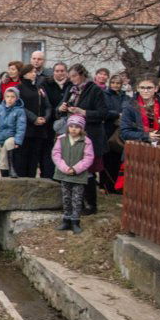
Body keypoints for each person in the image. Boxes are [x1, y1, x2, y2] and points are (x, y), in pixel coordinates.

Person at [55, 63, 108, 215]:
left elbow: (103, 113)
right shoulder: (71, 90)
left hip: (89, 136)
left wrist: (83, 112)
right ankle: (75, 204)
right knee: (72, 170)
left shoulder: (94, 90)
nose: (72, 80)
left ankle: (91, 205)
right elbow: (58, 110)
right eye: (70, 77)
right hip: (71, 136)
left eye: (74, 76)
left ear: (82, 74)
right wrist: (61, 109)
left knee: (88, 171)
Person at [52, 115, 95, 234]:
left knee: (77, 198)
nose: (74, 129)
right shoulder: (61, 139)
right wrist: (64, 168)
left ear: (82, 128)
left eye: (77, 127)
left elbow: (88, 158)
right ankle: (66, 219)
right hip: (64, 173)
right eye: (71, 126)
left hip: (78, 175)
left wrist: (76, 169)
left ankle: (75, 221)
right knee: (66, 197)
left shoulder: (86, 141)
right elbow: (56, 154)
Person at [120, 77, 160, 146]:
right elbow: (125, 133)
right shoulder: (130, 107)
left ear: (156, 89)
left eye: (149, 88)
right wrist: (146, 136)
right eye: (142, 88)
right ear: (137, 88)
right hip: (136, 149)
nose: (145, 91)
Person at [15, 66, 52, 177]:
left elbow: (48, 105)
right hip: (25, 128)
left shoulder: (39, 88)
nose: (34, 74)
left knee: (34, 158)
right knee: (22, 158)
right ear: (24, 74)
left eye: (35, 72)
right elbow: (19, 106)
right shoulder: (19, 88)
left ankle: (31, 178)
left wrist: (45, 117)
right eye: (31, 72)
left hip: (40, 129)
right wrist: (33, 118)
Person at [0, 86, 26, 178]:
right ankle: (4, 176)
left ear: (17, 98)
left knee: (9, 143)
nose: (10, 99)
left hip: (11, 137)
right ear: (4, 97)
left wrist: (18, 141)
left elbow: (21, 127)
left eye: (12, 97)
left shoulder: (19, 111)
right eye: (7, 96)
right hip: (0, 139)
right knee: (2, 160)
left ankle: (12, 168)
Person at [40, 61, 69, 179]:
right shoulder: (46, 84)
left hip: (67, 122)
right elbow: (45, 103)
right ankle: (48, 175)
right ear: (53, 72)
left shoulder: (70, 85)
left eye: (62, 71)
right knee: (49, 150)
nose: (60, 73)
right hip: (50, 122)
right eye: (57, 71)